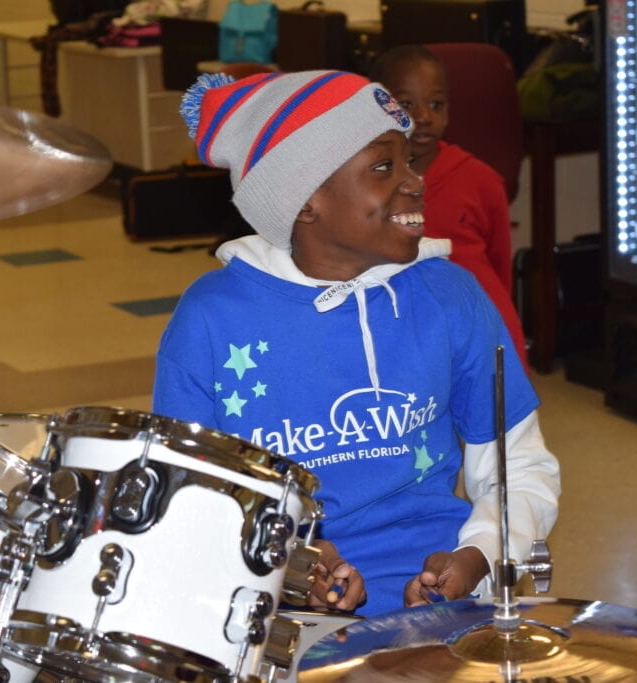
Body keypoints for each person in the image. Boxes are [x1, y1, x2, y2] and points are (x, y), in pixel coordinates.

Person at [152, 69, 560, 617]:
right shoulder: (211, 319)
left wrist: (479, 555)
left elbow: (520, 468)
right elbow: (188, 502)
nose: (414, 181)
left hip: (443, 584)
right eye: (383, 166)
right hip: (276, 603)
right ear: (304, 201)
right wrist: (292, 566)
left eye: (410, 161)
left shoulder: (448, 294)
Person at [371, 45, 530, 369]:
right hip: (407, 334)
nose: (424, 117)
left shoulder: (481, 180)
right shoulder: (365, 183)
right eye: (406, 104)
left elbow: (500, 265)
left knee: (496, 414)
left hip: (480, 330)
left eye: (436, 104)